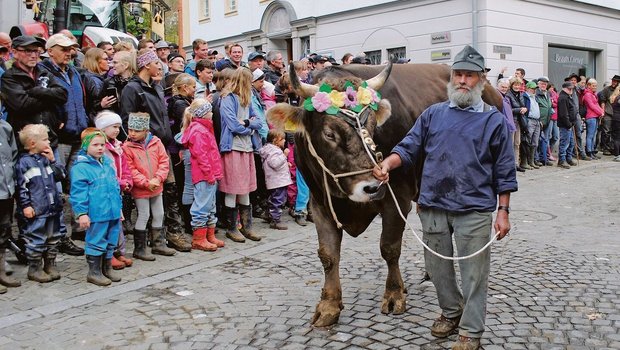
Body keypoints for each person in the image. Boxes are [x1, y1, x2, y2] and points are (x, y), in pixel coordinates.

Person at [373, 45, 517, 350]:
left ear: (481, 80)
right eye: (458, 74)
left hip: (474, 209)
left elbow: (505, 170)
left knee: (474, 273)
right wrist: (388, 162)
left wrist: (503, 211)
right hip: (432, 205)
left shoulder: (493, 122)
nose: (463, 80)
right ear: (452, 78)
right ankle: (451, 312)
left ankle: (471, 331)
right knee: (437, 268)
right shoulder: (433, 114)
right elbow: (408, 146)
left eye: (470, 75)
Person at [70, 128, 123, 286]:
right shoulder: (81, 168)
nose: (100, 148)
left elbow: (114, 188)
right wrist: (82, 213)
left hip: (112, 211)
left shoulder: (107, 164)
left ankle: (107, 268)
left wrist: (118, 208)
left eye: (102, 144)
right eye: (95, 145)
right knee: (96, 240)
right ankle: (94, 272)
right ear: (86, 146)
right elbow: (78, 193)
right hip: (97, 213)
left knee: (111, 239)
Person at [16, 124, 66, 283]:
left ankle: (50, 264)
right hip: (37, 210)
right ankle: (35, 268)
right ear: (32, 143)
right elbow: (21, 187)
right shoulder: (24, 163)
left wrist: (52, 160)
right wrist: (26, 205)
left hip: (52, 208)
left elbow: (61, 175)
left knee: (53, 237)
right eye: (45, 140)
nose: (49, 143)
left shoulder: (46, 160)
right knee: (36, 238)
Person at [122, 112, 176, 260]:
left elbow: (164, 161)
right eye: (130, 129)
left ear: (146, 130)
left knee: (159, 214)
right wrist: (146, 182)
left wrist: (158, 178)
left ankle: (158, 243)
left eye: (136, 130)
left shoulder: (156, 142)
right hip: (141, 188)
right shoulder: (127, 147)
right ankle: (140, 248)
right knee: (143, 215)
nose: (132, 133)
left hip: (156, 186)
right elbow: (130, 169)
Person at [219, 68, 263, 243]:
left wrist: (246, 123)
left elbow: (259, 121)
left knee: (245, 188)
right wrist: (249, 128)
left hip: (247, 148)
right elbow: (232, 125)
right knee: (232, 188)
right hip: (233, 148)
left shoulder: (247, 99)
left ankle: (247, 226)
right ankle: (231, 227)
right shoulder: (227, 99)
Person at [180, 98, 224, 251]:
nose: (212, 113)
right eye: (210, 111)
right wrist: (209, 173)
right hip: (204, 174)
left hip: (211, 173)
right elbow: (201, 155)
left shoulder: (205, 128)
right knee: (202, 205)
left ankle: (209, 235)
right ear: (203, 114)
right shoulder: (198, 130)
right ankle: (199, 238)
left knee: (210, 205)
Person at [95, 112, 134, 269]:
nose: (118, 130)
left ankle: (118, 251)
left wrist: (127, 180)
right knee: (109, 223)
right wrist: (119, 181)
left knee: (118, 222)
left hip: (117, 190)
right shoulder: (101, 148)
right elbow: (104, 172)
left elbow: (124, 166)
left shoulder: (118, 146)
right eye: (114, 127)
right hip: (106, 190)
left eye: (119, 127)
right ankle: (108, 253)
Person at [0, 118, 20, 292]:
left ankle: (1, 273)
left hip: (6, 191)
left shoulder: (6, 127)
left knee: (4, 231)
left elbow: (12, 157)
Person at [259, 130, 293, 230]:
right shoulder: (274, 151)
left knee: (273, 198)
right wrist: (284, 156)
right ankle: (275, 220)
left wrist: (285, 164)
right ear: (276, 141)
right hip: (278, 181)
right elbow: (274, 163)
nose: (285, 141)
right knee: (278, 200)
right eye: (283, 139)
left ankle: (268, 214)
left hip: (277, 180)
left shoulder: (270, 150)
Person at [505, 76, 528, 171]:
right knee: (510, 143)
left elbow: (523, 106)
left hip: (519, 121)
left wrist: (525, 109)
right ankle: (509, 164)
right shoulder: (508, 95)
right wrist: (520, 109)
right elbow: (508, 110)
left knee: (517, 143)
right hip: (511, 121)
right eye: (515, 84)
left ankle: (516, 164)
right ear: (512, 85)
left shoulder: (521, 94)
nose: (517, 86)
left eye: (518, 84)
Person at [557, 81, 578, 168]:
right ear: (564, 88)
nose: (571, 90)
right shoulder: (563, 98)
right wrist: (569, 124)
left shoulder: (568, 96)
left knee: (571, 143)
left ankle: (568, 158)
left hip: (570, 124)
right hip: (565, 124)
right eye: (569, 88)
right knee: (565, 143)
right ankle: (562, 160)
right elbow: (563, 114)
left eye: (571, 88)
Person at [582, 79, 604, 159]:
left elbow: (597, 105)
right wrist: (600, 112)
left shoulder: (593, 94)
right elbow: (592, 106)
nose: (595, 87)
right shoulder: (588, 95)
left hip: (595, 116)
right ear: (589, 86)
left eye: (595, 86)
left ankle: (592, 151)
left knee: (593, 135)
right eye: (593, 86)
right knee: (590, 135)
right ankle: (589, 151)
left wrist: (602, 112)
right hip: (590, 117)